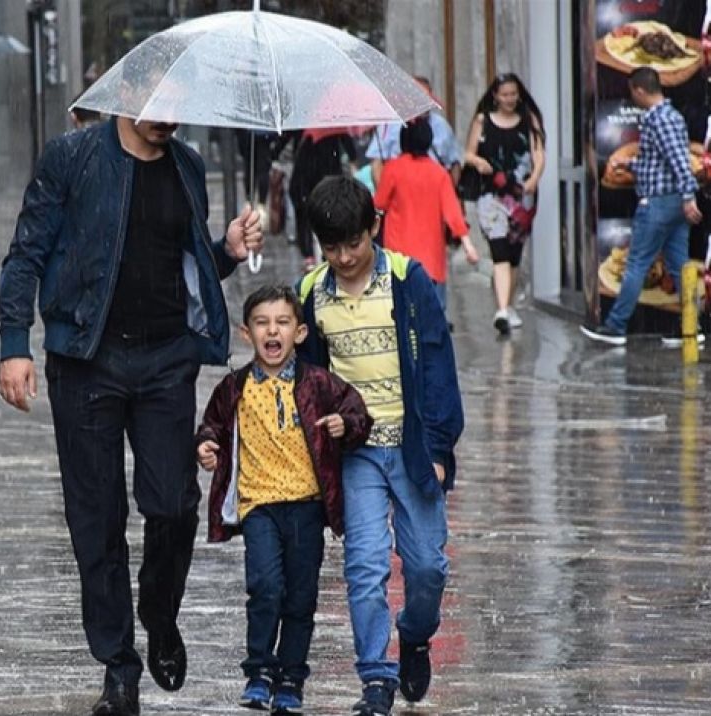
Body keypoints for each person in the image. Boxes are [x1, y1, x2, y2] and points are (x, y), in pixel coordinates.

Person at [0, 81, 265, 714]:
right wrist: (14, 343)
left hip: (165, 359)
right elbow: (26, 253)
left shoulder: (188, 166)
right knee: (97, 518)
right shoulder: (73, 157)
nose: (168, 120)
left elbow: (186, 265)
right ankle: (118, 662)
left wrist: (226, 250)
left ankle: (160, 612)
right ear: (125, 99)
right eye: (157, 108)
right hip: (85, 359)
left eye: (179, 108)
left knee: (173, 503)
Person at [295, 176, 464, 716]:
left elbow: (438, 364)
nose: (344, 257)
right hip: (358, 455)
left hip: (413, 450)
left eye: (353, 243)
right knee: (365, 566)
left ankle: (414, 634)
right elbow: (311, 380)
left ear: (374, 228)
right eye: (331, 247)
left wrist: (438, 448)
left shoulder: (407, 280)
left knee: (427, 568)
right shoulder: (312, 294)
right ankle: (374, 677)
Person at [196, 285, 372, 715]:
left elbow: (358, 413)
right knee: (265, 587)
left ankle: (291, 678)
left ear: (299, 332)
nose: (272, 331)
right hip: (259, 506)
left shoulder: (317, 383)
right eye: (261, 323)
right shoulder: (234, 388)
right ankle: (258, 671)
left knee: (301, 595)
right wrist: (205, 445)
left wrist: (342, 426)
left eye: (282, 323)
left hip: (308, 506)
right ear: (246, 333)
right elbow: (213, 425)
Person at [582, 67, 703, 347]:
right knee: (678, 266)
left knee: (637, 263)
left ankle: (616, 326)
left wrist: (689, 196)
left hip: (659, 203)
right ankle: (691, 326)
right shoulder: (670, 116)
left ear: (638, 90)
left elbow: (679, 160)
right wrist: (630, 163)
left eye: (631, 92)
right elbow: (660, 162)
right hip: (672, 202)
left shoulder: (658, 120)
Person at [464, 72, 545, 334]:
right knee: (499, 250)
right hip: (491, 196)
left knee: (514, 255)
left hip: (523, 196)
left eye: (513, 94)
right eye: (505, 94)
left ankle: (508, 305)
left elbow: (539, 153)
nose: (510, 99)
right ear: (495, 96)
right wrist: (479, 162)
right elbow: (468, 152)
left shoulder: (529, 120)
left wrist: (534, 177)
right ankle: (501, 310)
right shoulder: (482, 120)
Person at [374, 119, 479, 316]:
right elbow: (453, 213)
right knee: (433, 314)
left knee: (403, 314)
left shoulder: (393, 169)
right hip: (432, 259)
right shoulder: (439, 173)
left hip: (399, 258)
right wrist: (468, 245)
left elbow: (379, 203)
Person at [365, 76, 463, 188]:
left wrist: (451, 191)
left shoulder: (441, 126)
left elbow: (455, 161)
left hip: (434, 188)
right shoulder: (389, 125)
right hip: (400, 188)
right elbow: (377, 162)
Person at [290, 131, 356, 271]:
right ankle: (327, 253)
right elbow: (350, 149)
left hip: (312, 184)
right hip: (330, 180)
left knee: (309, 219)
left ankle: (311, 256)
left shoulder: (307, 138)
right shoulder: (335, 130)